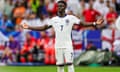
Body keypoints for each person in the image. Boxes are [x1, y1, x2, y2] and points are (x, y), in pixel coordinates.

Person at [21, 1, 104, 72]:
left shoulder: (71, 18)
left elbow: (82, 24)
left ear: (65, 7)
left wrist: (94, 23)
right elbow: (43, 27)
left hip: (68, 44)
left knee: (69, 63)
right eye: (58, 6)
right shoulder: (54, 20)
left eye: (61, 6)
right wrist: (29, 27)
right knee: (60, 65)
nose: (59, 7)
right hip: (58, 45)